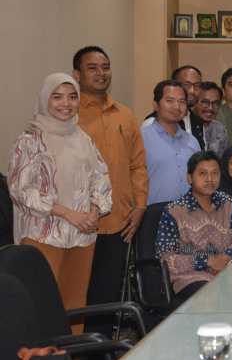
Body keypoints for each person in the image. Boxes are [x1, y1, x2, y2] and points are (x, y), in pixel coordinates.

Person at [8, 74, 113, 331]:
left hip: (82, 234)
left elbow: (100, 177)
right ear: (46, 100)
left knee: (75, 305)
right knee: (40, 304)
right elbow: (21, 190)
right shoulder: (30, 140)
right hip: (43, 235)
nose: (65, 103)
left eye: (72, 96)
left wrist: (94, 211)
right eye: (57, 96)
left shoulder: (84, 139)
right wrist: (68, 214)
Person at [72, 46, 150, 336]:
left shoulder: (125, 115)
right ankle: (73, 356)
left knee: (106, 293)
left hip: (119, 221)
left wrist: (140, 205)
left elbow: (137, 166)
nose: (101, 72)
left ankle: (98, 358)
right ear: (77, 75)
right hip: (80, 223)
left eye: (105, 66)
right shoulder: (70, 114)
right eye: (92, 67)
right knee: (77, 291)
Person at [155, 150, 232, 301]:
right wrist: (207, 261)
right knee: (210, 293)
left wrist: (227, 257)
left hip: (227, 272)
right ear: (189, 178)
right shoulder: (174, 211)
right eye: (203, 173)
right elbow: (166, 258)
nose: (210, 179)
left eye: (215, 173)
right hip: (190, 278)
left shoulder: (227, 203)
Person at [141, 81, 201, 220]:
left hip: (189, 217)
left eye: (181, 101)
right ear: (155, 105)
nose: (176, 106)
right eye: (170, 101)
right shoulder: (141, 138)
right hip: (152, 217)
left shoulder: (192, 142)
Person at [142, 65, 205, 149]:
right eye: (186, 84)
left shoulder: (198, 122)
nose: (192, 91)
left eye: (197, 86)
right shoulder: (152, 123)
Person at [193, 82, 228, 156]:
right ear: (194, 103)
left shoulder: (220, 130)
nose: (210, 108)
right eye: (205, 102)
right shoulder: (183, 126)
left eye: (215, 103)